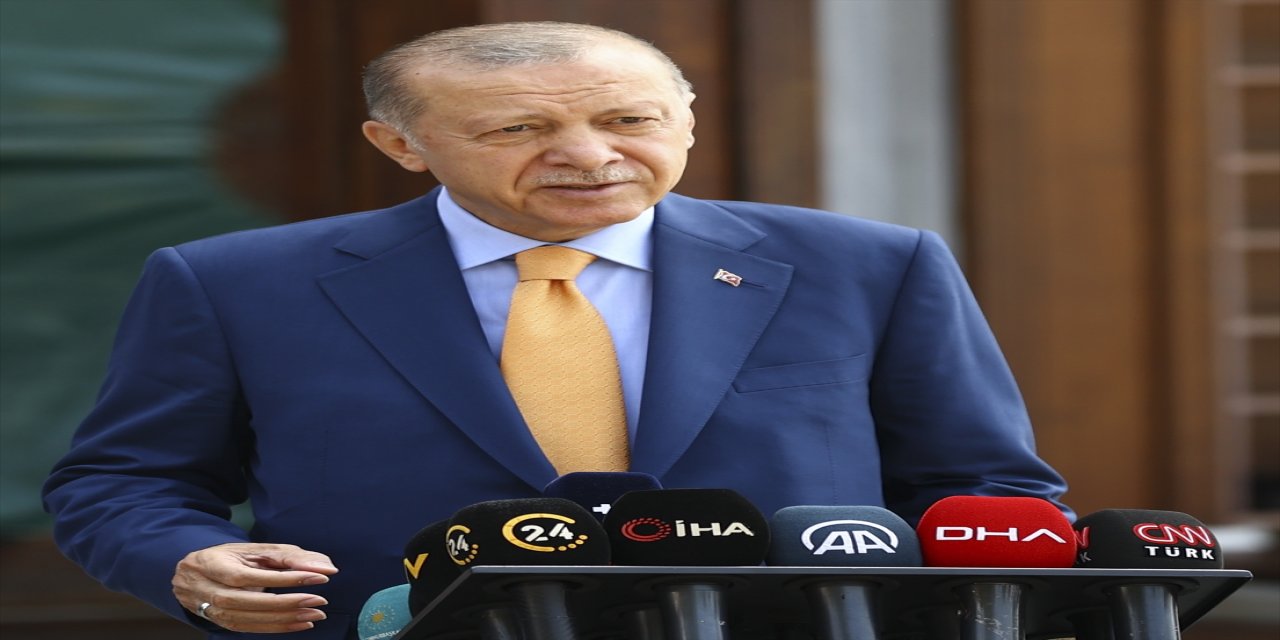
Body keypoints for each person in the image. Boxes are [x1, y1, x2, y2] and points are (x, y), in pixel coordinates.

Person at [43, 21, 1070, 639]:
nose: (587, 155)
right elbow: (122, 480)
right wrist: (186, 563)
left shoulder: (867, 266)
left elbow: (984, 487)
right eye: (518, 129)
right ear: (399, 144)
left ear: (687, 117)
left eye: (629, 120)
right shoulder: (235, 282)